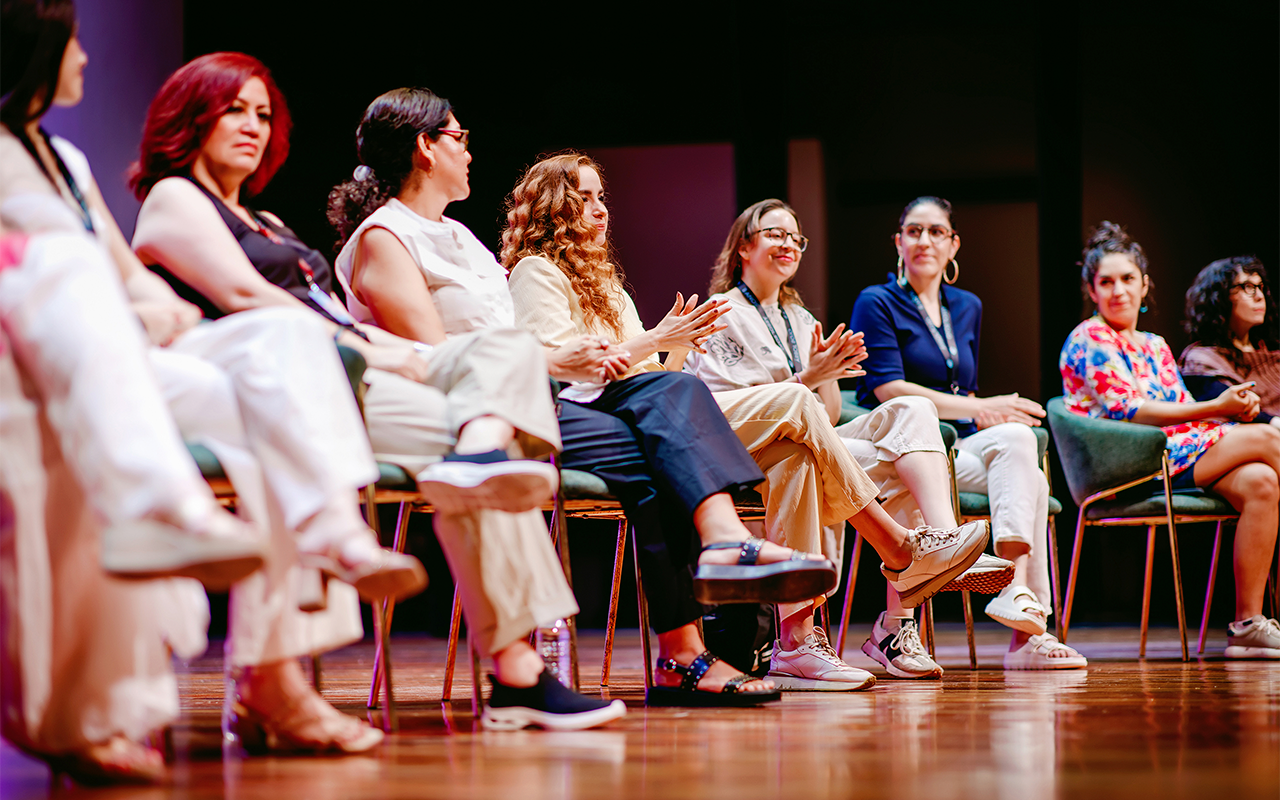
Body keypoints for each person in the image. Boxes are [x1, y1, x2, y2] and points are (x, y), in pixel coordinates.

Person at [325, 88, 975, 704]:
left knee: (683, 431)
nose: (469, 147)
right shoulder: (397, 239)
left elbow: (627, 367)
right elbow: (462, 357)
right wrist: (638, 348)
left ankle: (722, 640)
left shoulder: (462, 240)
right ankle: (709, 628)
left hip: (564, 401)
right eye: (459, 135)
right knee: (671, 435)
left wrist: (674, 346)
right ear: (424, 145)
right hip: (495, 412)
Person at [130, 55, 626, 731]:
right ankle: (516, 669)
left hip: (339, 370)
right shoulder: (176, 197)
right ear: (191, 119)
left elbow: (331, 320)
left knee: (492, 418)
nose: (251, 126)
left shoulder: (267, 220)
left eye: (263, 113)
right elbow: (246, 297)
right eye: (233, 110)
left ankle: (518, 667)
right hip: (271, 385)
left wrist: (417, 360)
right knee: (483, 432)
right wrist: (398, 358)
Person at [2, 4, 427, 764]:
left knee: (284, 353)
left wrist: (155, 304)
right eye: (71, 42)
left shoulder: (61, 160)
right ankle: (159, 514)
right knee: (79, 281)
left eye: (262, 114)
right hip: (29, 358)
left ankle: (311, 580)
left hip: (123, 355)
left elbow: (128, 276)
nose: (87, 59)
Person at [497, 152, 992, 691]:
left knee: (799, 452)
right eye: (585, 198)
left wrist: (683, 349)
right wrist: (663, 343)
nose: (600, 210)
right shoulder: (537, 271)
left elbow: (651, 379)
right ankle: (897, 547)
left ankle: (798, 645)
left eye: (601, 198)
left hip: (662, 418)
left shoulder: (611, 287)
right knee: (792, 406)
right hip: (598, 423)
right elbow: (563, 367)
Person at [685, 197, 1014, 681]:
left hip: (809, 436)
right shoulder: (721, 312)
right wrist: (804, 378)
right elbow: (730, 407)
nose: (788, 244)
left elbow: (829, 414)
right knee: (799, 452)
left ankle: (941, 544)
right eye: (774, 234)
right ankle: (901, 559)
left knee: (911, 411)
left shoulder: (799, 318)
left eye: (795, 237)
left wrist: (824, 377)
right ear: (743, 249)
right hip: (736, 446)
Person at [851, 195, 1086, 670]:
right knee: (1034, 480)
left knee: (1019, 440)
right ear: (898, 242)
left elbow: (966, 389)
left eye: (936, 232)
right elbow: (887, 389)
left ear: (953, 243)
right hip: (911, 441)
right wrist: (983, 407)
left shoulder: (967, 305)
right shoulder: (877, 301)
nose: (924, 241)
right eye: (914, 231)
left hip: (960, 444)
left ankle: (1014, 593)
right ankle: (1028, 633)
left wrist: (985, 413)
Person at [1061, 222, 1280, 659]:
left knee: (1261, 482)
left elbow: (1180, 408)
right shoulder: (1090, 337)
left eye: (1127, 279)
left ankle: (1246, 626)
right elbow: (1130, 410)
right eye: (1106, 281)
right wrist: (1218, 407)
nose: (1118, 290)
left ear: (1145, 284)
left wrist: (1230, 409)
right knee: (1268, 442)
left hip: (1177, 456)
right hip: (1132, 463)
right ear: (1092, 289)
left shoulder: (1155, 344)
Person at [1180, 256, 1280, 422]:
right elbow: (1234, 412)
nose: (1259, 296)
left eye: (1260, 287)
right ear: (1219, 296)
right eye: (1248, 287)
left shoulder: (1271, 352)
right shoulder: (1202, 360)